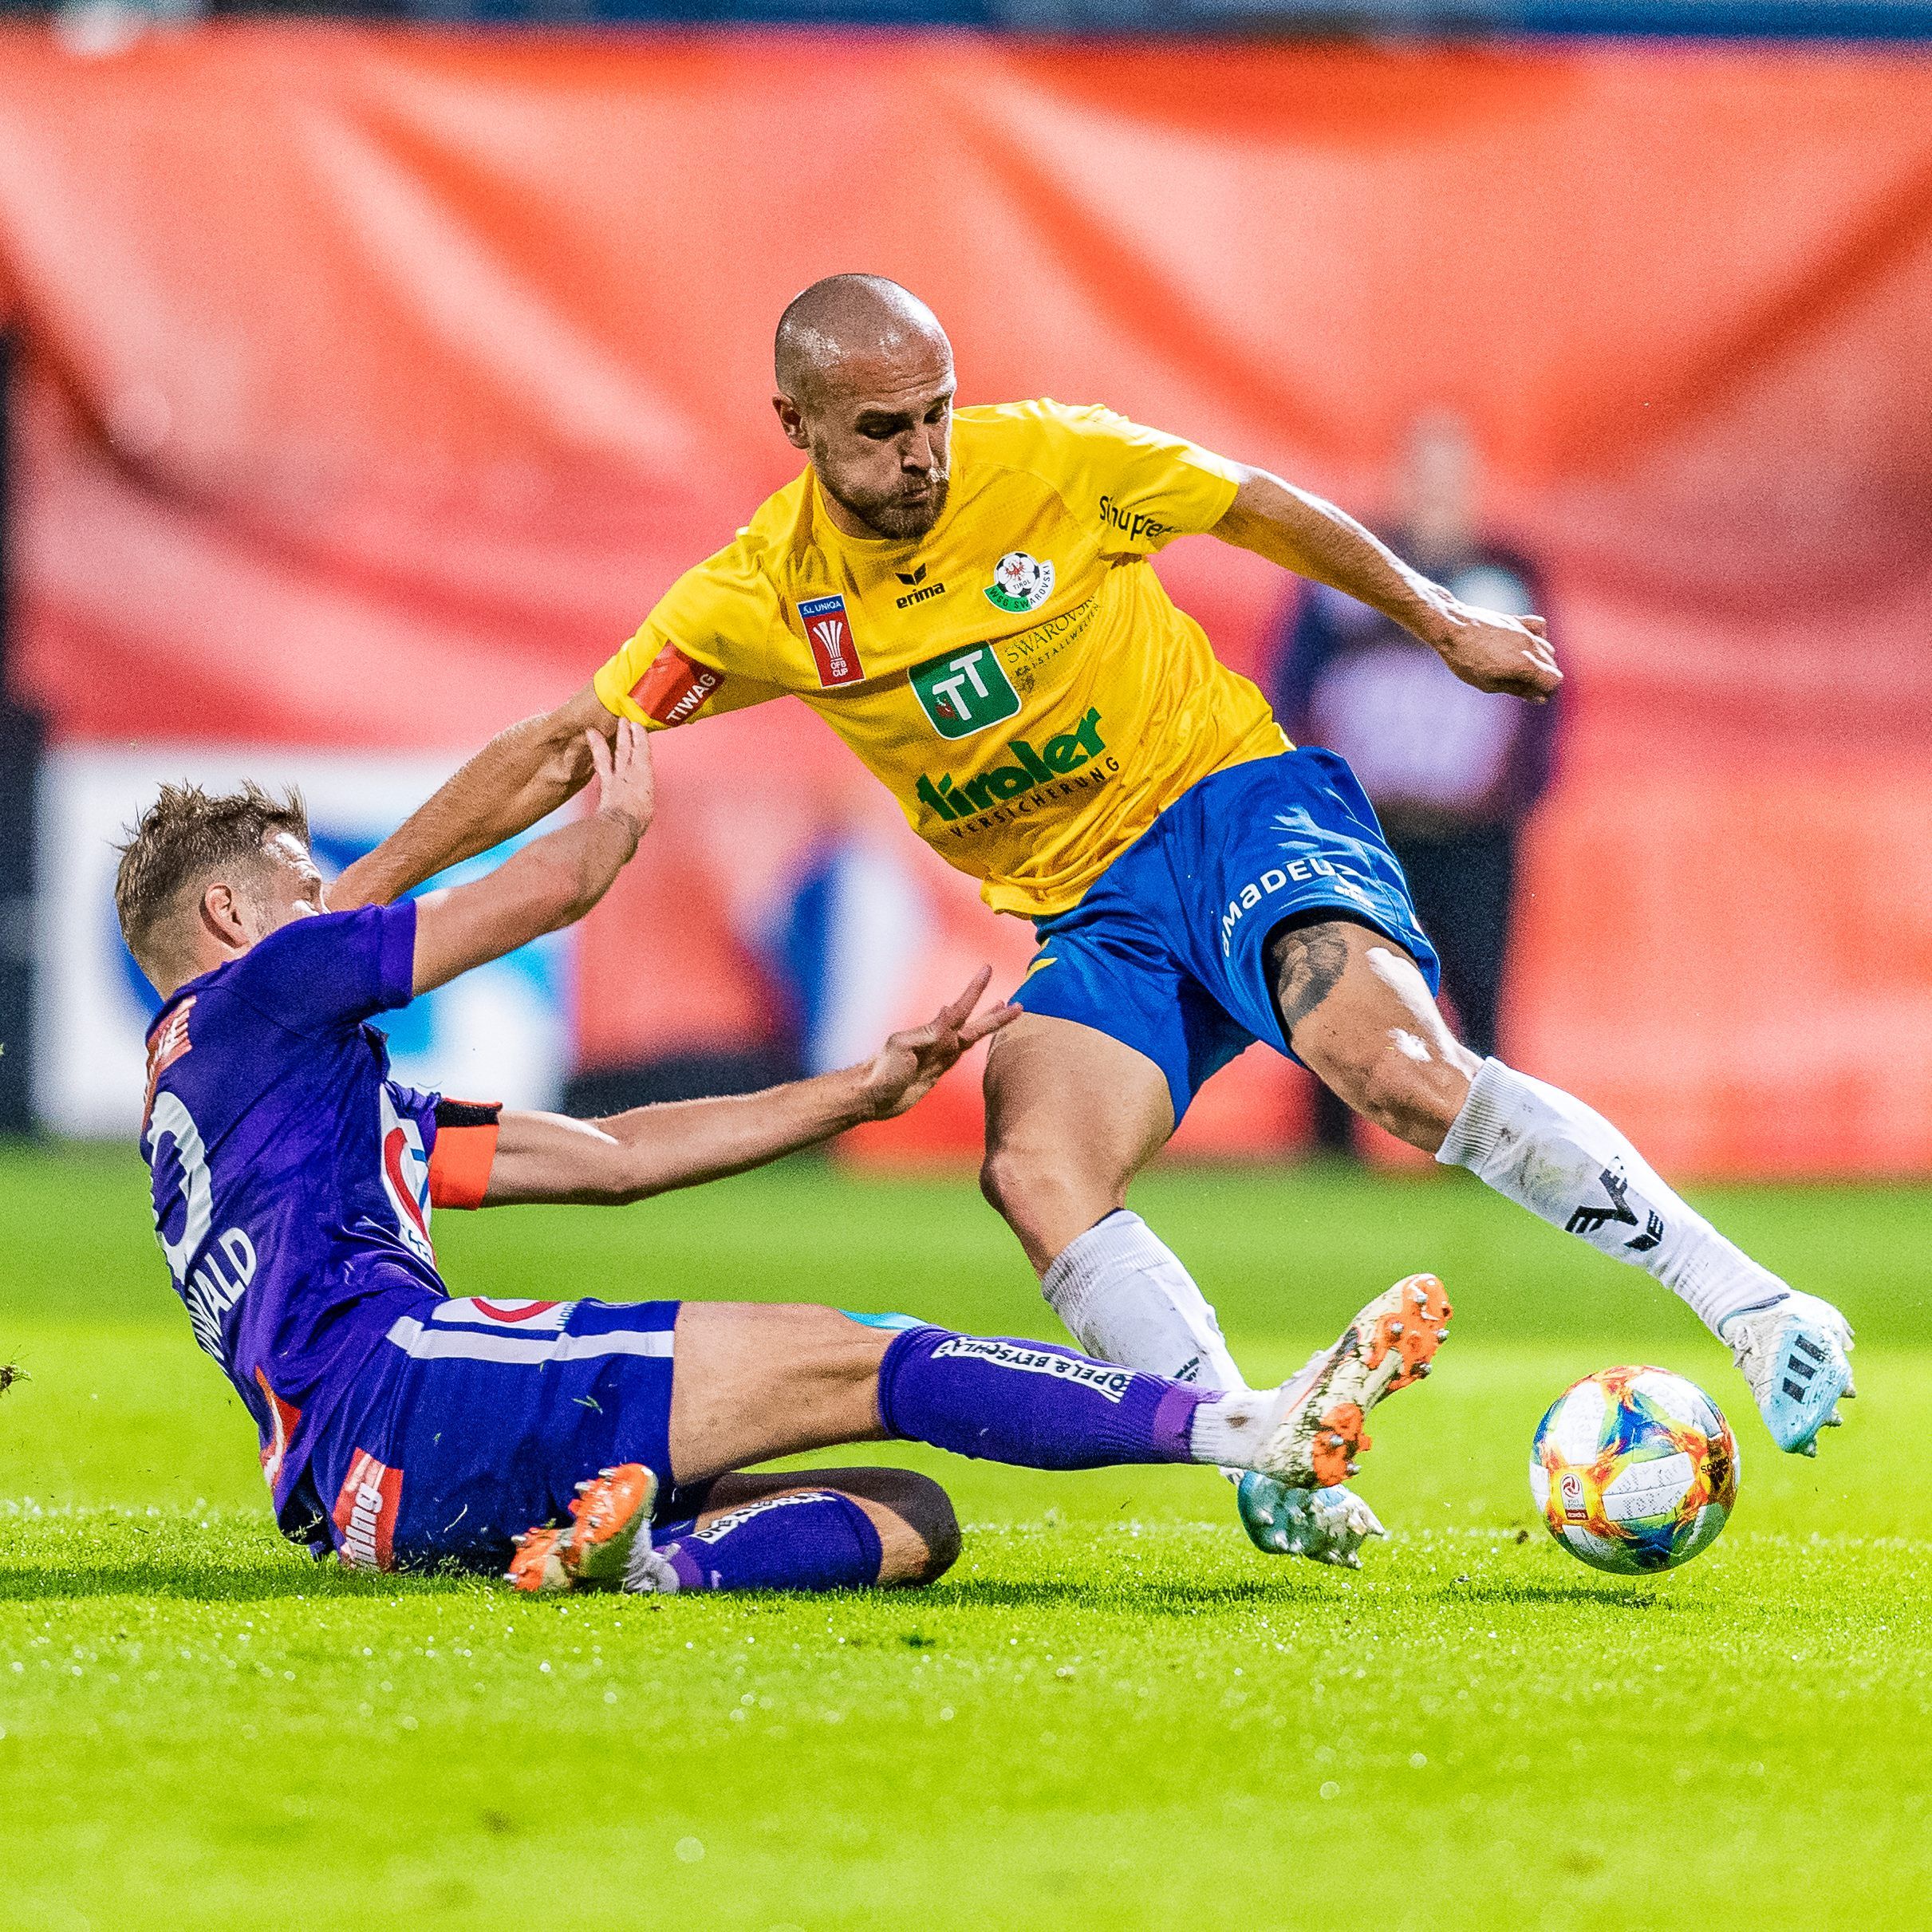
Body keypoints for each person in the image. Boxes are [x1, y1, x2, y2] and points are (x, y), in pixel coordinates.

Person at [330, 274, 1854, 1556]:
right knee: (1034, 1164)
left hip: (1230, 807)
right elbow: (569, 741)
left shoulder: (1052, 461)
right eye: (880, 429)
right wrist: (355, 899)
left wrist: (1438, 619)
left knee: (1396, 1073)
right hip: (1092, 916)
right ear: (794, 426)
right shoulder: (760, 600)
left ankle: (1755, 1305)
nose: (923, 451)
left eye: (934, 411)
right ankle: (1266, 1448)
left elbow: (1252, 505)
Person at [116, 735, 1448, 1591]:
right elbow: (541, 891)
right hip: (416, 1387)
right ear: (229, 912)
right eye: (304, 884)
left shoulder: (245, 1089)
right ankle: (1248, 1429)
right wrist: (613, 803)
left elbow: (615, 1155)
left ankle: (644, 1563)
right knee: (878, 1356)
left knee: (910, 1517)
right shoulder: (265, 989)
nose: (329, 900)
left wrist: (856, 1094)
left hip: (360, 1492)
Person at [1272, 412, 1559, 1156]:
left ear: (1472, 486)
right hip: (1365, 829)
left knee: (1480, 997)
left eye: (1449, 478)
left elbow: (1550, 692)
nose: (1436, 494)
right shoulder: (1346, 570)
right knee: (1339, 990)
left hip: (1473, 831)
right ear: (1402, 482)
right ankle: (1332, 1154)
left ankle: (1492, 1153)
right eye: (1424, 476)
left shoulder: (1509, 576)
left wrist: (1522, 793)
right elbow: (1291, 686)